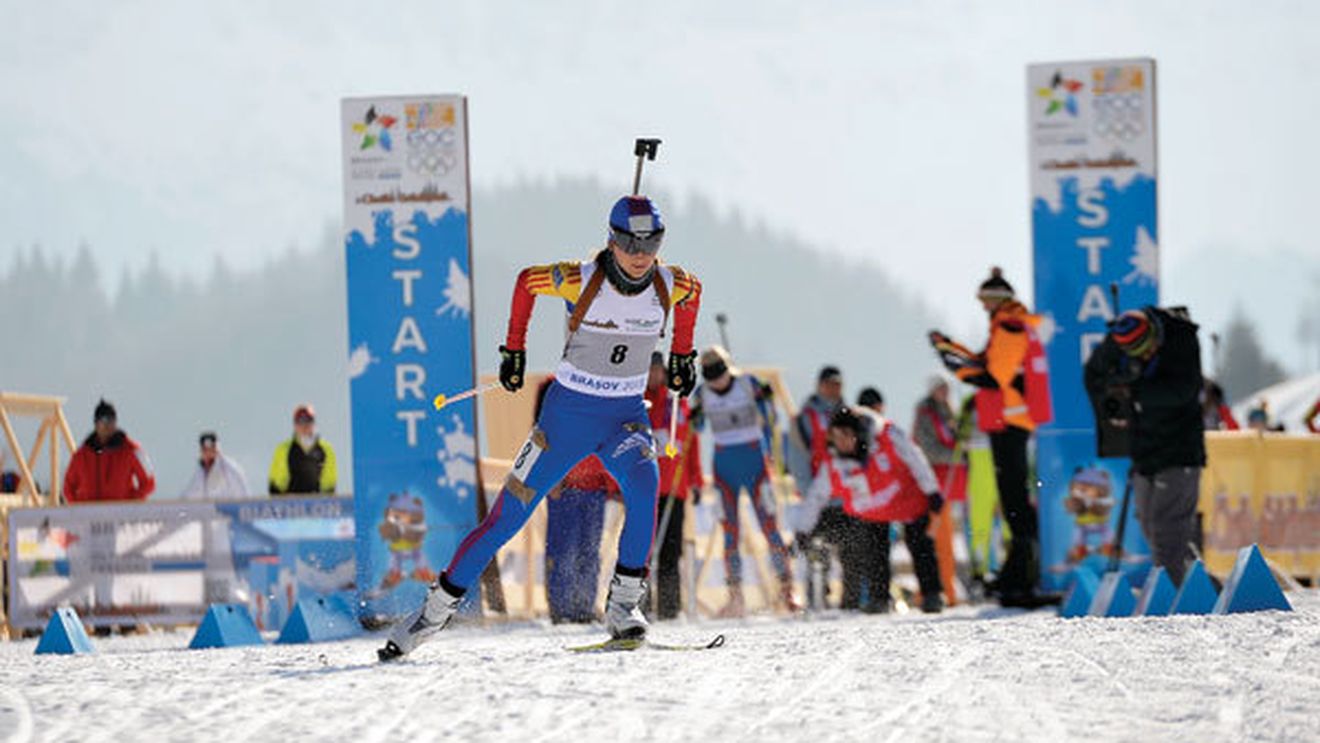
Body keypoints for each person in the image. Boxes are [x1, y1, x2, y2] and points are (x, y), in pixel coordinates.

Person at [380, 193, 701, 660]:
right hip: (566, 420)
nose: (640, 254)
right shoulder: (580, 278)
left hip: (625, 417)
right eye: (630, 243)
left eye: (651, 243)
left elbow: (694, 294)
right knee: (506, 520)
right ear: (612, 240)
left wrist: (683, 354)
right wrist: (514, 349)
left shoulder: (672, 283)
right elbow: (526, 282)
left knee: (645, 487)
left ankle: (624, 606)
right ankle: (432, 612)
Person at [930, 267, 1055, 607]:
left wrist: (955, 366)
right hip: (1005, 423)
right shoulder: (1006, 326)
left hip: (1010, 422)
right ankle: (1017, 572)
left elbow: (991, 376)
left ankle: (1025, 574)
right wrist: (949, 349)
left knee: (1015, 501)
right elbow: (985, 362)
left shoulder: (1010, 327)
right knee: (1012, 500)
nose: (983, 307)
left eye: (986, 301)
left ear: (997, 300)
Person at [1084, 307, 1206, 585]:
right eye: (1137, 354)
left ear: (1155, 334)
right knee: (1154, 529)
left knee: (1167, 533)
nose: (1145, 355)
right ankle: (1207, 591)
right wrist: (1110, 409)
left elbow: (1184, 391)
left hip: (1180, 451)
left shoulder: (1181, 339)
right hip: (1144, 452)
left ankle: (1178, 600)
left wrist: (1135, 392)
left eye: (1148, 349)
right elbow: (1093, 375)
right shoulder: (1118, 340)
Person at [801, 406, 945, 613]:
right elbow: (817, 496)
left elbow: (916, 458)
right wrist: (804, 528)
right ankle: (879, 598)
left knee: (920, 545)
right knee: (874, 550)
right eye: (836, 436)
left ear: (858, 433)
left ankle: (932, 594)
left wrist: (932, 490)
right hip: (872, 510)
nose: (841, 442)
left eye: (846, 435)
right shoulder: (834, 462)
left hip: (907, 498)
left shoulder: (888, 436)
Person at [691, 345, 798, 616]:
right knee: (730, 532)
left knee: (769, 527)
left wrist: (767, 400)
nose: (717, 383)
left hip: (754, 462)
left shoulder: (748, 383)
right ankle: (735, 596)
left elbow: (771, 419)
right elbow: (697, 427)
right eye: (711, 377)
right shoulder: (702, 393)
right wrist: (695, 413)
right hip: (724, 465)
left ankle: (787, 590)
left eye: (720, 375)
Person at [534, 377, 616, 623]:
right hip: (565, 485)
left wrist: (612, 483)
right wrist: (549, 476)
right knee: (563, 548)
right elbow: (541, 431)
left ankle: (584, 606)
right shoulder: (552, 387)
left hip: (595, 485)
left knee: (589, 549)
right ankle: (561, 607)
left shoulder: (605, 387)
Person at [795, 365, 863, 609]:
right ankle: (816, 598)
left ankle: (851, 600)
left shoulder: (850, 414)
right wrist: (806, 490)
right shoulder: (806, 416)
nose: (834, 389)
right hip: (819, 493)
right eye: (830, 384)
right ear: (820, 385)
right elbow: (798, 455)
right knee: (816, 549)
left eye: (838, 384)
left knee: (852, 550)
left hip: (847, 496)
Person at [645, 351, 702, 620]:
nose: (653, 375)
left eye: (657, 369)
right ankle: (641, 605)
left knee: (671, 550)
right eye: (649, 370)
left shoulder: (677, 401)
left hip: (674, 488)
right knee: (643, 550)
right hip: (646, 488)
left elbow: (692, 444)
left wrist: (696, 480)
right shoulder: (639, 401)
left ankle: (669, 608)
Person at [64, 399, 156, 502]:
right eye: (104, 420)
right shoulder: (81, 455)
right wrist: (79, 508)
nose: (108, 425)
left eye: (112, 420)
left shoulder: (132, 450)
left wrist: (130, 503)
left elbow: (149, 482)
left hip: (121, 511)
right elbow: (68, 487)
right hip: (90, 512)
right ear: (96, 424)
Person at [268, 404, 338, 495]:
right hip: (290, 501)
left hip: (316, 501)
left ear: (314, 424)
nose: (304, 426)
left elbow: (329, 485)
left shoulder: (326, 450)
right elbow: (276, 484)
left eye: (308, 421)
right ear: (295, 425)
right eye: (300, 422)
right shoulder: (283, 449)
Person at [179, 431, 252, 500]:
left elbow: (244, 494)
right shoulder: (200, 471)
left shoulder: (231, 468)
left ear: (217, 450)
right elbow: (189, 495)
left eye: (211, 449)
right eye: (205, 450)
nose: (208, 453)